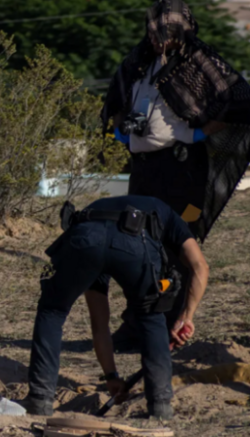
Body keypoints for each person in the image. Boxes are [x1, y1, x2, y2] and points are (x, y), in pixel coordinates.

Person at [101, 0, 250, 350]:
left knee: (174, 248)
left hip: (182, 168)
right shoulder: (138, 62)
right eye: (153, 33)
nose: (157, 40)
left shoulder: (200, 63)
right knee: (139, 244)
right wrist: (123, 130)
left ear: (181, 31)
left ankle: (165, 321)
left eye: (164, 34)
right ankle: (137, 321)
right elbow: (117, 100)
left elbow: (238, 99)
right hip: (144, 171)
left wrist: (198, 133)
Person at [25, 195, 209, 420]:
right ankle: (160, 405)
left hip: (84, 240)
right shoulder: (169, 215)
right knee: (150, 315)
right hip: (133, 243)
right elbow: (200, 266)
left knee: (52, 311)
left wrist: (111, 375)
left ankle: (39, 400)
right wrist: (186, 317)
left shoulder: (99, 209)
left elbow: (99, 324)